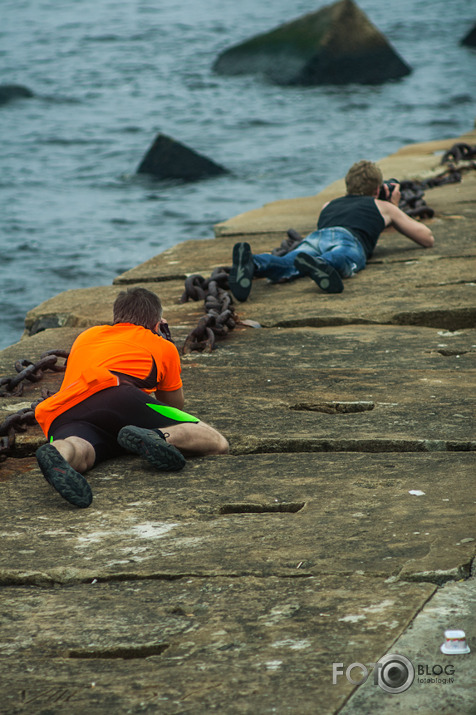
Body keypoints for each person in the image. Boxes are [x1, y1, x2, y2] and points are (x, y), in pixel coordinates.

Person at [35, 287, 229, 508]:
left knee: (82, 449)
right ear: (157, 324)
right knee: (216, 441)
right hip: (117, 394)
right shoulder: (161, 344)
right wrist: (164, 340)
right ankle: (156, 436)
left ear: (117, 317)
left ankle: (59, 454)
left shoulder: (86, 336)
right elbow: (172, 405)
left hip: (62, 412)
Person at [229, 160, 435, 301]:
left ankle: (254, 262)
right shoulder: (383, 207)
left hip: (318, 237)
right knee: (345, 255)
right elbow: (426, 238)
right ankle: (324, 264)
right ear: (377, 190)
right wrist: (393, 206)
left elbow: (327, 227)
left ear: (347, 186)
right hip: (349, 238)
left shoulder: (329, 204)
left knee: (288, 262)